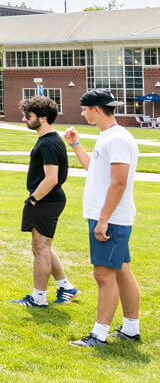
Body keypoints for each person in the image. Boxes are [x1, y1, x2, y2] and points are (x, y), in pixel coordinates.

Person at [66, 89, 142, 347]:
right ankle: (131, 329)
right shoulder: (108, 137)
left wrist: (103, 219)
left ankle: (98, 335)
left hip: (110, 219)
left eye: (84, 109)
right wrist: (76, 145)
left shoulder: (117, 139)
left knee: (103, 274)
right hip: (110, 217)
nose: (82, 113)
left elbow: (119, 183)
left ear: (96, 109)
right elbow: (94, 169)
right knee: (121, 270)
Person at [10, 96, 78, 308]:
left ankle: (38, 298)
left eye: (28, 116)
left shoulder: (49, 142)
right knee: (42, 247)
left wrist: (33, 199)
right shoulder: (49, 139)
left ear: (43, 118)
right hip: (47, 200)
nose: (24, 119)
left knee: (40, 248)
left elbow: (52, 178)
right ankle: (66, 287)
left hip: (45, 200)